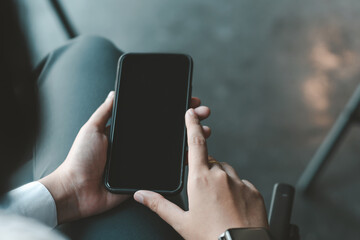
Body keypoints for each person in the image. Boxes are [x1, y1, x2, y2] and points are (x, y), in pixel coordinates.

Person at [0, 36, 270, 239]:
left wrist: (67, 191)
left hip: (71, 199)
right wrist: (235, 236)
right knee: (88, 51)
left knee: (88, 51)